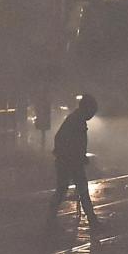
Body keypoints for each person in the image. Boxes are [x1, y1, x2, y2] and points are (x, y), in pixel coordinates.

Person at [47, 94, 101, 230]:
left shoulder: (75, 120)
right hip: (70, 162)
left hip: (68, 161)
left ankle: (50, 219)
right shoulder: (76, 121)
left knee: (64, 190)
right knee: (80, 191)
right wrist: (76, 156)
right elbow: (69, 141)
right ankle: (92, 221)